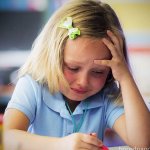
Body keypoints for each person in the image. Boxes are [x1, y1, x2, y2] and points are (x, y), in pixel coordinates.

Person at [3, 0, 150, 150]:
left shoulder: (106, 94)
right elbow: (8, 139)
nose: (83, 82)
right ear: (51, 57)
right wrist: (61, 145)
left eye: (98, 72)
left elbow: (143, 143)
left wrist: (125, 78)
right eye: (73, 68)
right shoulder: (32, 85)